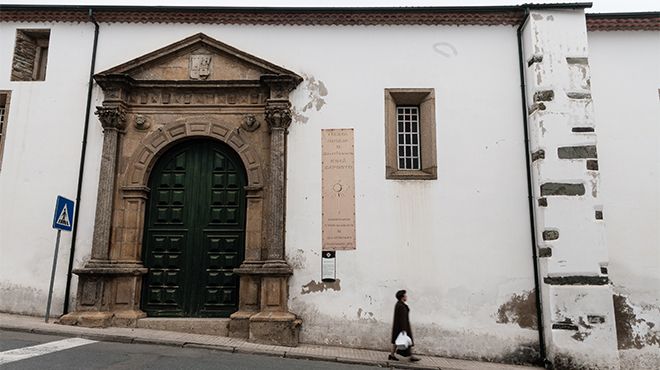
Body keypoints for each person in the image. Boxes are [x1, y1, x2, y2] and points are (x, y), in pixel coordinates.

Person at [389, 289, 420, 362]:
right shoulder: (401, 306)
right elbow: (402, 318)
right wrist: (404, 329)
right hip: (402, 327)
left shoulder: (398, 304)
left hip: (398, 326)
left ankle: (392, 355)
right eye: (405, 295)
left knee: (396, 342)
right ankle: (411, 356)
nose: (406, 296)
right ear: (402, 297)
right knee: (408, 341)